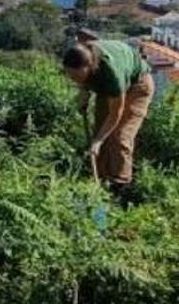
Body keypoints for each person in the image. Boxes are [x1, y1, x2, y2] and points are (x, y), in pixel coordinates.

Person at [62, 39, 154, 195]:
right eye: (71, 77)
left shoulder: (112, 75)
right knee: (100, 131)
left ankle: (121, 187)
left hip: (138, 86)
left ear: (89, 67)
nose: (74, 79)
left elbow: (115, 114)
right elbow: (82, 78)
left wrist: (97, 142)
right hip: (107, 87)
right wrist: (83, 92)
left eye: (77, 76)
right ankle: (101, 181)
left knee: (120, 136)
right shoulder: (84, 55)